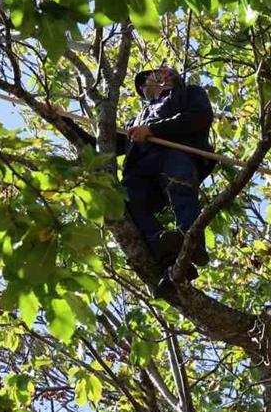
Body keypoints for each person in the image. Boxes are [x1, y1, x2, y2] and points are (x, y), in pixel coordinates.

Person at [60, 66, 215, 278]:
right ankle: (166, 255)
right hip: (141, 172)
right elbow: (102, 145)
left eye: (147, 78)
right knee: (124, 201)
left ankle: (192, 242)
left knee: (180, 188)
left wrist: (153, 130)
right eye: (146, 81)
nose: (143, 86)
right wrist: (63, 120)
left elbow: (200, 116)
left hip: (176, 153)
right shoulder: (136, 121)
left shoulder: (189, 93)